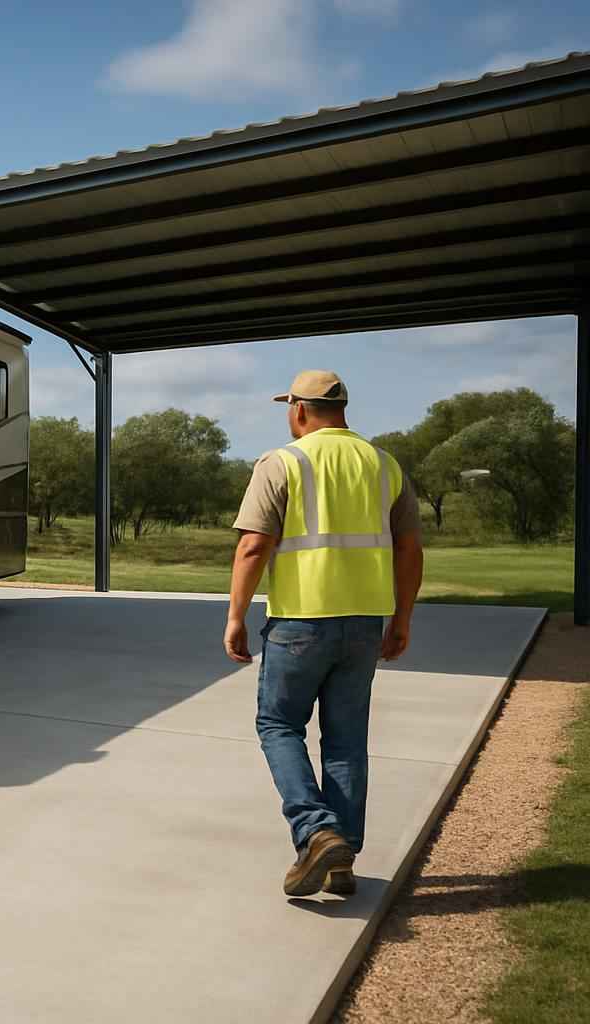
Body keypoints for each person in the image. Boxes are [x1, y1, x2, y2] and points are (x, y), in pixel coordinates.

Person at [223, 370, 424, 897]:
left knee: (278, 725)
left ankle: (316, 832)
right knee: (345, 739)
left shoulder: (282, 462)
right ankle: (341, 860)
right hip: (364, 625)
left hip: (301, 621)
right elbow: (409, 549)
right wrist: (401, 618)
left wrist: (236, 616)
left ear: (299, 409)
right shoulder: (385, 466)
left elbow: (251, 546)